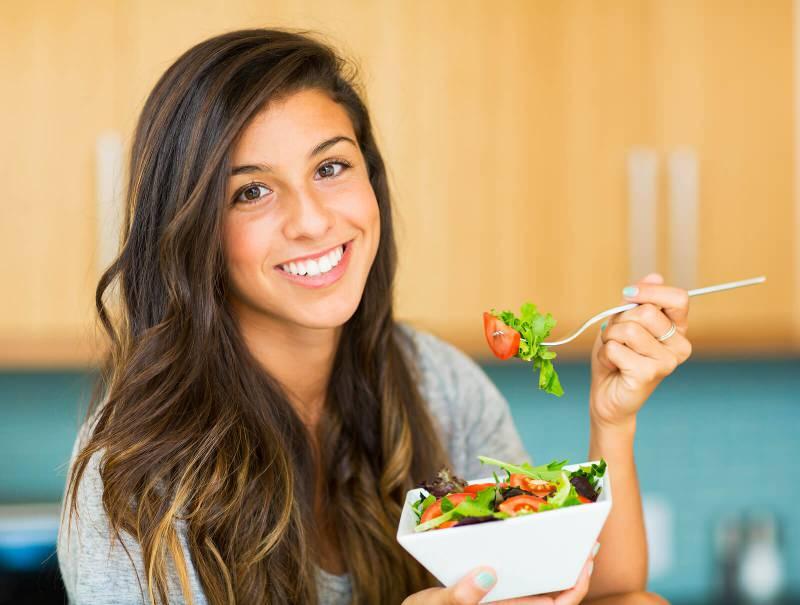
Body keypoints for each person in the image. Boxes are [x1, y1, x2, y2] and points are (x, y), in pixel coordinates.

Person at [58, 28, 688, 605]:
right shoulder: (130, 470)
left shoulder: (436, 384)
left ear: (372, 179)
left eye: (330, 168)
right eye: (251, 191)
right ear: (194, 230)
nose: (312, 220)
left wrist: (613, 422)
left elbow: (609, 590)